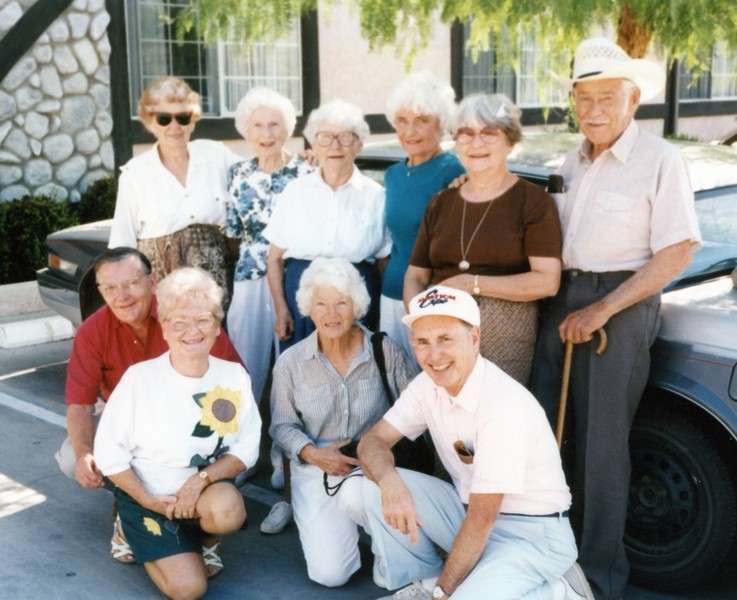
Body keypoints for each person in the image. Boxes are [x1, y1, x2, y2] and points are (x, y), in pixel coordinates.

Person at [529, 38, 701, 600]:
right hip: (561, 298)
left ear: (633, 100)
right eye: (584, 98)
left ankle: (598, 578)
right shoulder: (570, 161)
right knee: (547, 435)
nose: (594, 109)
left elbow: (678, 251)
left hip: (619, 305)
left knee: (602, 446)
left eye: (607, 97)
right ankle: (546, 557)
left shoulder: (660, 159)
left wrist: (603, 308)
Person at [357, 285, 593, 600]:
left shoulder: (502, 403)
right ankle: (424, 580)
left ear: (475, 338)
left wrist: (442, 595)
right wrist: (389, 482)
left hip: (533, 535)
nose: (434, 355)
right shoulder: (428, 384)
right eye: (423, 342)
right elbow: (373, 441)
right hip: (469, 515)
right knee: (365, 486)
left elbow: (483, 519)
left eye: (446, 339)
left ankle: (558, 590)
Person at [55, 247, 240, 569]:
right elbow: (80, 404)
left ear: (152, 282)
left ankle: (202, 526)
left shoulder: (188, 318)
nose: (122, 296)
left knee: (220, 477)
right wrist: (85, 452)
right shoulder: (92, 331)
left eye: (131, 283)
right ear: (100, 291)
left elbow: (235, 389)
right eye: (110, 288)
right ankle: (129, 506)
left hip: (190, 421)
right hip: (128, 424)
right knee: (74, 456)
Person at [94, 267, 261, 599]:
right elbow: (109, 454)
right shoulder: (139, 378)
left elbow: (247, 446)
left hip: (202, 493)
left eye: (203, 320)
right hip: (149, 496)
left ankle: (205, 539)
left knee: (228, 510)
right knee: (189, 590)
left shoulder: (234, 376)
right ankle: (127, 528)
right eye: (179, 322)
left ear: (217, 326)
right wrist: (148, 500)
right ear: (165, 328)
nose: (192, 331)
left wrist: (199, 482)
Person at [269, 257, 416, 587]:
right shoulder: (291, 362)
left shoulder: (384, 350)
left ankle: (385, 545)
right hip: (317, 467)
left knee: (390, 569)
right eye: (321, 303)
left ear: (357, 306)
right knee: (331, 575)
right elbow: (281, 426)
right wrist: (312, 453)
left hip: (374, 467)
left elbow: (415, 408)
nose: (331, 314)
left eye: (341, 303)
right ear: (309, 307)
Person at [404, 94, 562, 385]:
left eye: (489, 133)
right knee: (440, 410)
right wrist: (421, 320)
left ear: (510, 142)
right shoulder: (441, 203)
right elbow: (415, 275)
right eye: (466, 133)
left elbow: (547, 282)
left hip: (505, 335)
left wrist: (472, 283)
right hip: (439, 332)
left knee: (497, 411)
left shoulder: (533, 202)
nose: (476, 143)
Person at [264, 99, 391, 352]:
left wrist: (381, 314)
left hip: (356, 300)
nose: (335, 145)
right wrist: (281, 309)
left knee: (357, 366)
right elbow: (274, 259)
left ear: (359, 145)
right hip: (303, 299)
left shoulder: (377, 196)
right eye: (325, 137)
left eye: (345, 137)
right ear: (313, 144)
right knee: (302, 368)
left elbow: (384, 262)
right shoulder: (295, 192)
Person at [109, 76, 240, 295]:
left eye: (183, 117)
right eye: (163, 119)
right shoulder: (135, 174)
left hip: (219, 289)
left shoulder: (217, 156)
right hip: (164, 294)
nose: (174, 126)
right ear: (150, 123)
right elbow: (122, 243)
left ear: (193, 120)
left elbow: (260, 174)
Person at [226, 87, 313, 406]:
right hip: (250, 277)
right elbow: (234, 230)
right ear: (246, 131)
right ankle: (241, 428)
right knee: (244, 361)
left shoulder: (307, 171)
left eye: (274, 124)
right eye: (258, 125)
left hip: (294, 277)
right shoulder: (238, 174)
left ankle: (290, 429)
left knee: (296, 360)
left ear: (287, 129)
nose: (267, 134)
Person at [380, 72, 465, 359]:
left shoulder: (453, 172)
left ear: (442, 123)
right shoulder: (393, 174)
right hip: (389, 295)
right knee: (392, 377)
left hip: (431, 299)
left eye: (422, 120)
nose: (410, 131)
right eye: (402, 121)